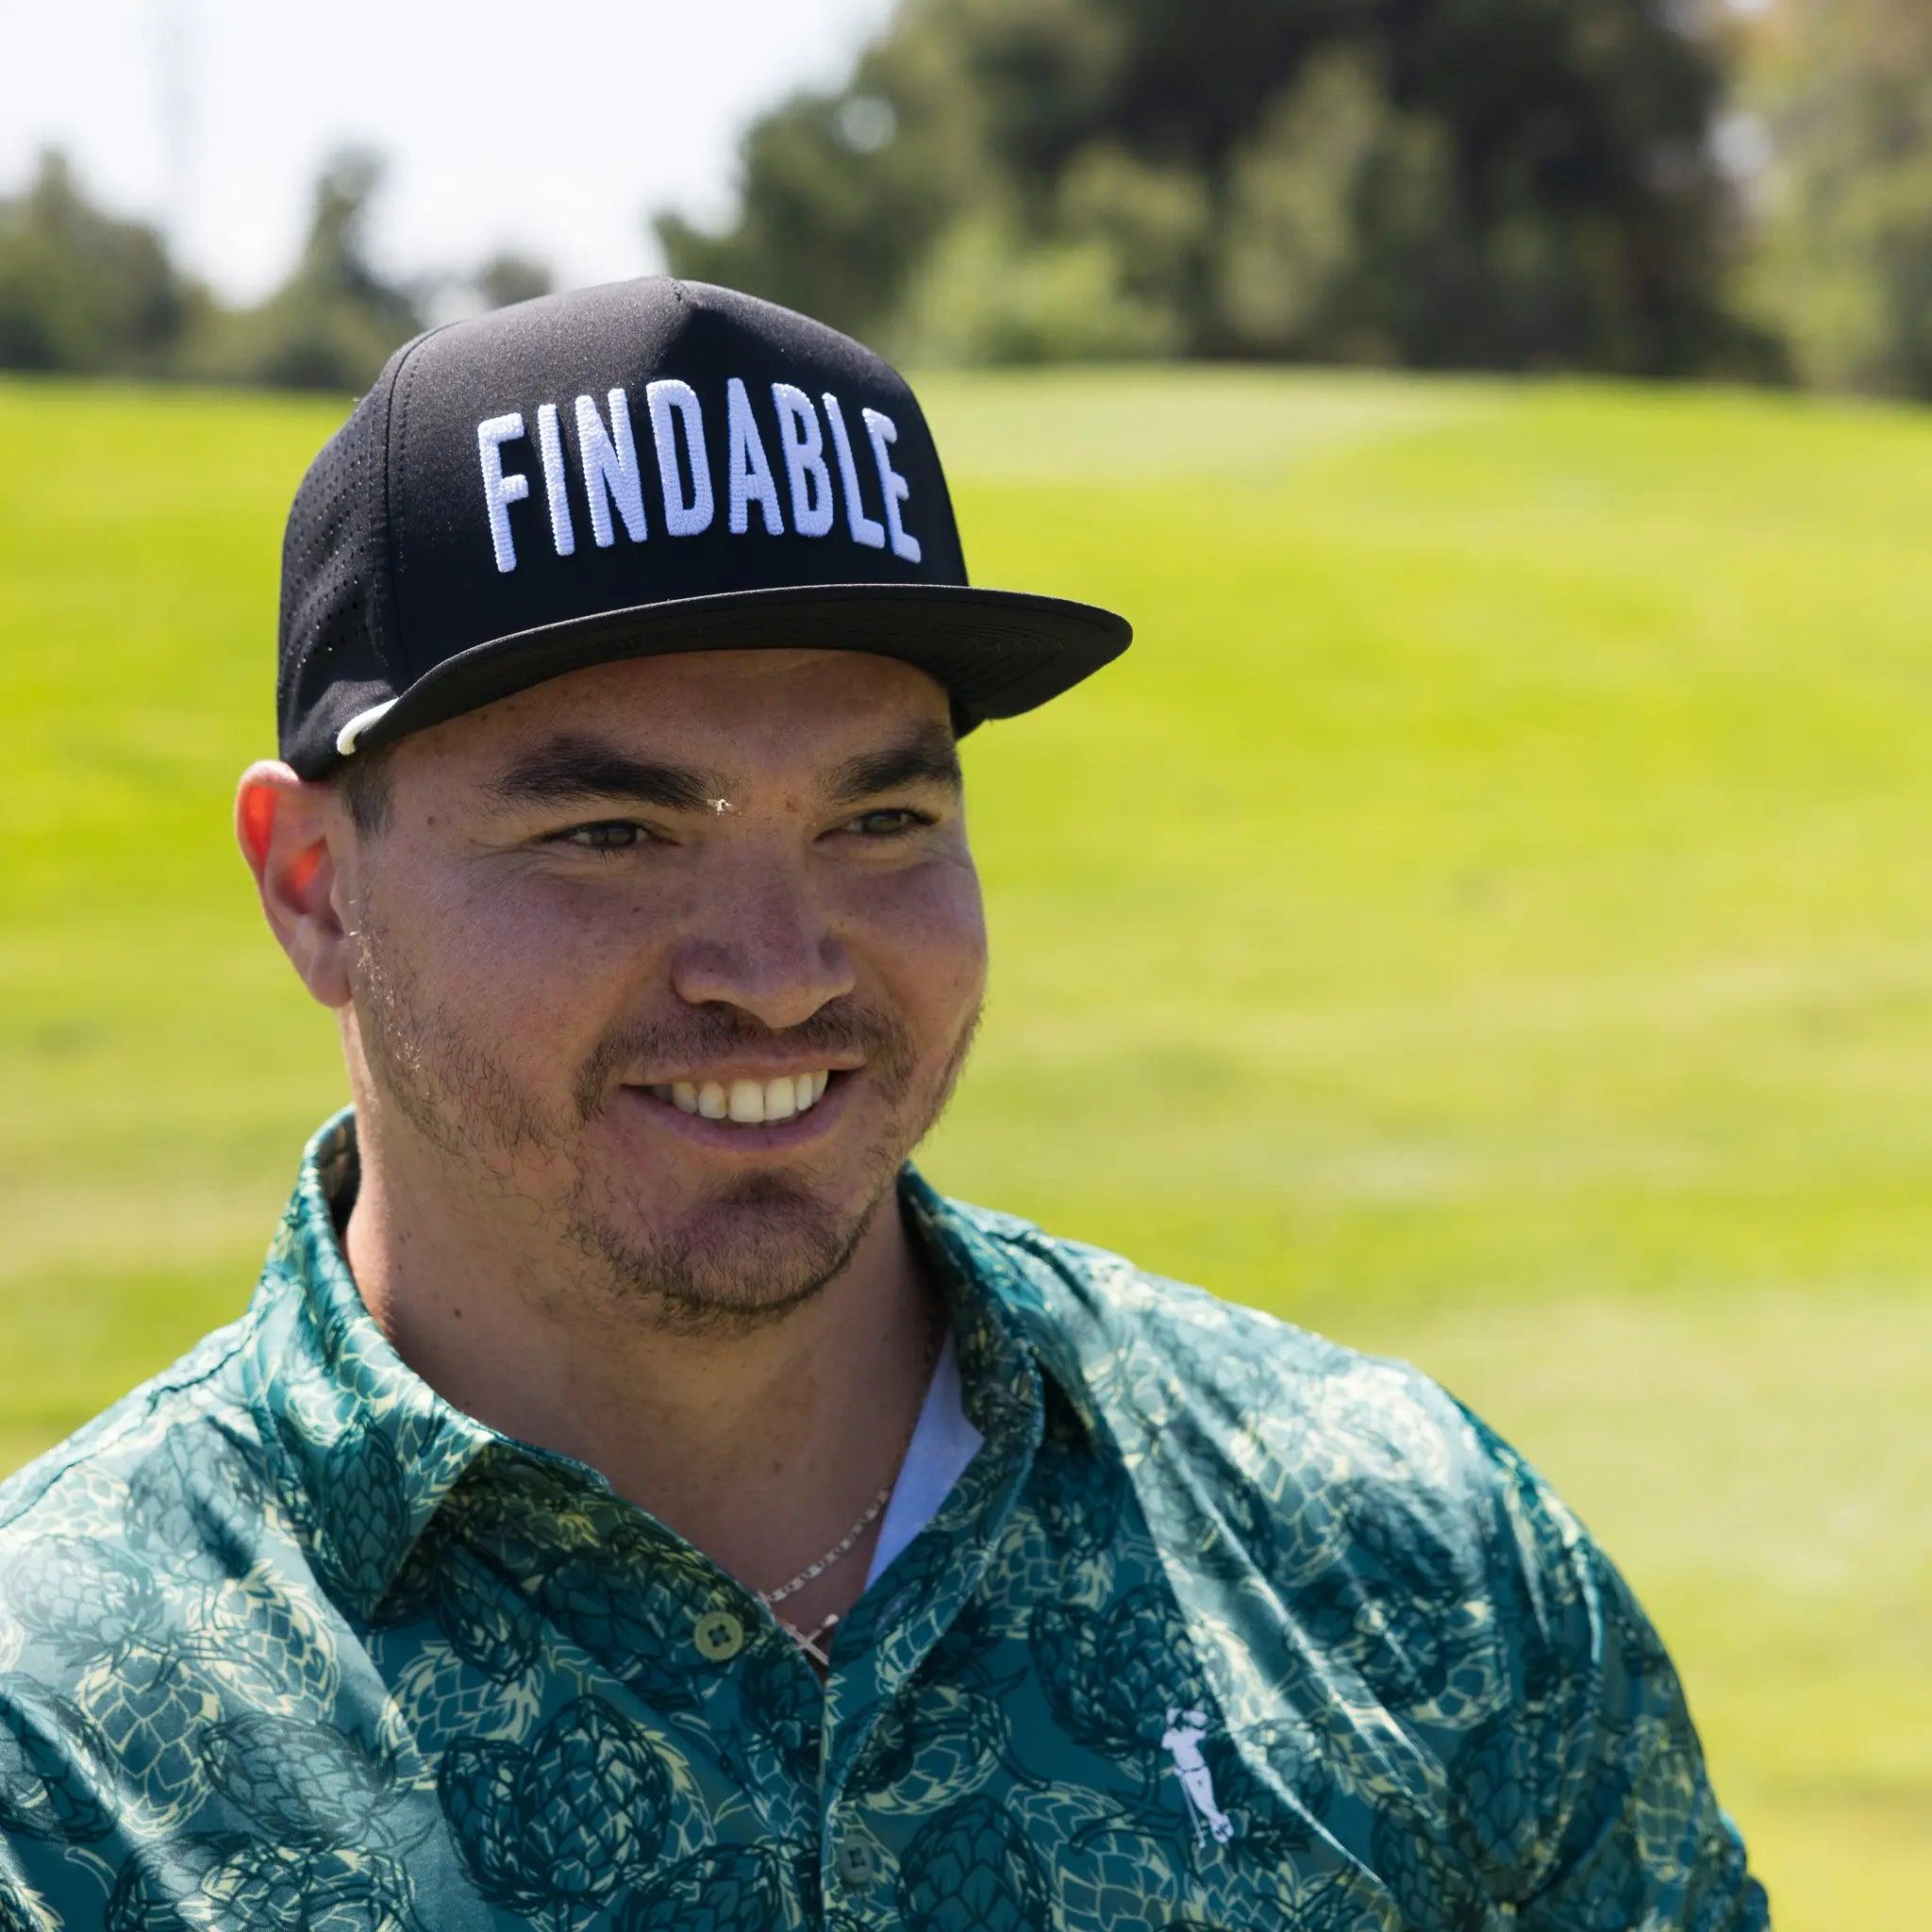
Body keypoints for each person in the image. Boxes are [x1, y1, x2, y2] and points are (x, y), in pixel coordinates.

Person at [0, 277, 1769, 1930]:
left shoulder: (1403, 1561)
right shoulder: (54, 1742)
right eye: (610, 834)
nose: (776, 970)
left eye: (880, 822)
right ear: (315, 884)